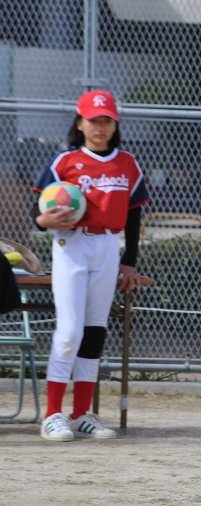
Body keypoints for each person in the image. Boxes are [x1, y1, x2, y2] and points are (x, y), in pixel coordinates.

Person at [33, 90, 149, 441]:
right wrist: (43, 221)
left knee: (95, 330)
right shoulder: (65, 162)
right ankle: (53, 415)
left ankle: (81, 413)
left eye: (106, 120)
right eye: (93, 120)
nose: (100, 127)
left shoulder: (127, 163)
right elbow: (38, 210)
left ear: (115, 124)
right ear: (80, 123)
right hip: (72, 244)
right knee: (70, 331)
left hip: (107, 246)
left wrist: (129, 263)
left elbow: (133, 216)